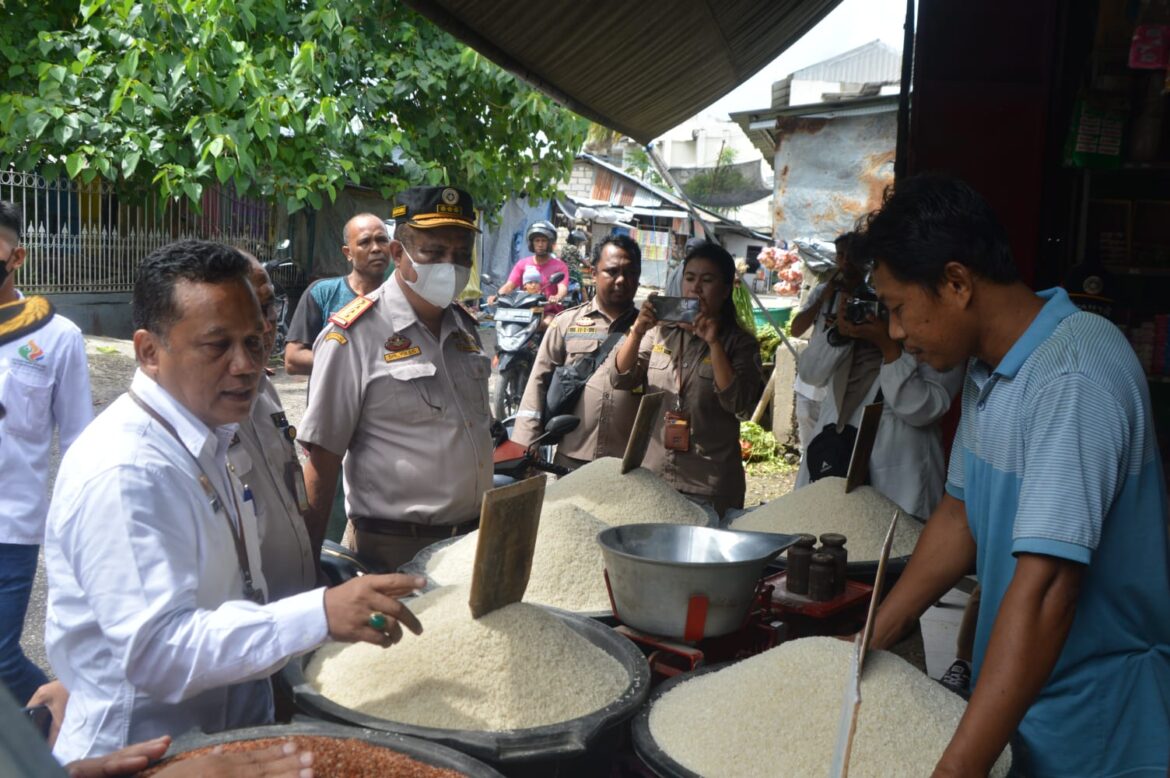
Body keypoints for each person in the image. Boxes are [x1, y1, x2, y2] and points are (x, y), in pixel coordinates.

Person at [43, 239, 425, 763]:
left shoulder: (206, 433)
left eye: (254, 340)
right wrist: (318, 614)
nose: (246, 365)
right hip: (148, 755)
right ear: (149, 351)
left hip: (225, 745)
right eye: (217, 345)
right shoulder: (127, 469)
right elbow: (158, 650)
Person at [861, 175, 1170, 777]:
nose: (895, 333)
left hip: (1095, 731)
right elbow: (960, 516)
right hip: (1020, 708)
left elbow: (1052, 588)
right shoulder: (992, 370)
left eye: (899, 310)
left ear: (956, 282)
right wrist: (875, 636)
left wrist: (956, 770)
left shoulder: (1072, 376)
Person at [298, 187, 492, 572]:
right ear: (398, 254)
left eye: (460, 254)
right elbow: (322, 460)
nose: (449, 266)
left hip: (471, 544)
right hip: (391, 552)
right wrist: (306, 569)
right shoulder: (354, 335)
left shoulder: (465, 330)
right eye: (433, 253)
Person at [794, 232, 963, 519]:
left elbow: (922, 410)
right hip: (835, 457)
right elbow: (811, 373)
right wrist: (840, 332)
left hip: (899, 475)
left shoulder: (941, 332)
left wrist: (888, 346)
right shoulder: (851, 308)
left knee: (889, 549)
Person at [0, 201, 93, 706]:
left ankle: (73, 719)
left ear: (17, 256)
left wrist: (75, 531)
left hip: (9, 528)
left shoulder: (57, 337)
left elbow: (80, 441)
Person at [612, 241, 763, 516]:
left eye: (707, 280)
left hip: (710, 484)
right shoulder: (659, 333)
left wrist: (714, 344)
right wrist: (637, 330)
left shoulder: (739, 343)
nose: (696, 288)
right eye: (690, 278)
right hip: (655, 476)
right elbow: (621, 378)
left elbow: (739, 403)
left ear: (727, 289)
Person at [513, 234, 643, 467]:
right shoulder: (565, 323)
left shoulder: (652, 331)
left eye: (630, 273)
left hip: (628, 464)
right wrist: (525, 444)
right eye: (612, 272)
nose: (621, 280)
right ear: (593, 274)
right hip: (572, 458)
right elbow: (538, 382)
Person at [228, 254, 315, 599]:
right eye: (244, 311)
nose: (265, 326)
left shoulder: (265, 393)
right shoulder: (142, 455)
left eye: (267, 307)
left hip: (295, 609)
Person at [284, 213, 390, 376]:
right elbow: (293, 359)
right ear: (348, 252)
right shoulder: (322, 293)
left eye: (382, 240)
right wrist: (357, 363)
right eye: (364, 242)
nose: (376, 248)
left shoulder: (401, 297)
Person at [492, 221, 568, 303]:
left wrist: (557, 297)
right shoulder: (522, 264)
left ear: (549, 243)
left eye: (544, 241)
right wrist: (497, 296)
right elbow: (509, 286)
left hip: (549, 311)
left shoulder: (560, 266)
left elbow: (562, 288)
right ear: (532, 243)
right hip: (525, 310)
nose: (540, 244)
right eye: (537, 241)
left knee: (549, 316)